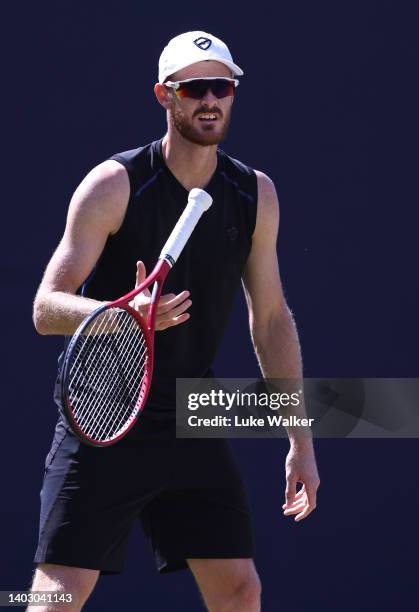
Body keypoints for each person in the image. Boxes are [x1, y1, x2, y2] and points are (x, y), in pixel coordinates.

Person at [30, 31, 320, 612]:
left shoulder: (254, 194)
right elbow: (45, 307)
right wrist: (119, 317)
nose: (210, 99)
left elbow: (270, 320)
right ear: (165, 96)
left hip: (191, 414)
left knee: (240, 588)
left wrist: (300, 438)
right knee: (54, 596)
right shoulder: (113, 185)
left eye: (222, 86)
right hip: (104, 411)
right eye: (194, 88)